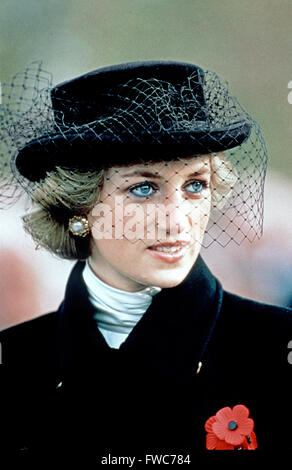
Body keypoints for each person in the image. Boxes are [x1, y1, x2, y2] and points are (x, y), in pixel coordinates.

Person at [0, 60, 291, 464]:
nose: (177, 220)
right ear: (79, 208)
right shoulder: (13, 362)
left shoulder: (276, 350)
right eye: (142, 188)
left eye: (195, 185)